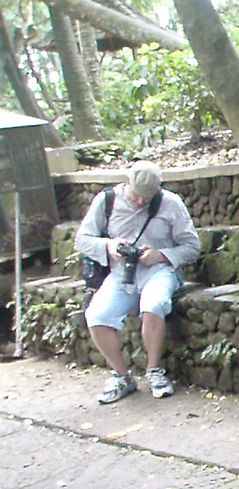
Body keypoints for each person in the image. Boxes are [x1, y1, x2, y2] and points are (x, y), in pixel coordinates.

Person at [75, 161, 201, 403]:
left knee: (153, 305)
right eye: (137, 196)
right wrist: (108, 246)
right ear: (127, 183)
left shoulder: (170, 203)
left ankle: (154, 370)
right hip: (121, 273)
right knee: (96, 316)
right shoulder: (106, 201)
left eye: (148, 197)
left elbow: (192, 246)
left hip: (159, 270)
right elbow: (82, 240)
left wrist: (161, 254)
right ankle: (122, 375)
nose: (142, 202)